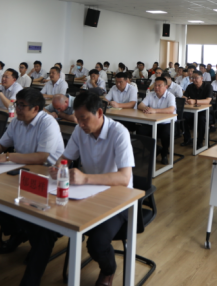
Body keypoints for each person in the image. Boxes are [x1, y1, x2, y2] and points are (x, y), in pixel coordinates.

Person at [44, 91, 135, 286]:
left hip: (118, 199)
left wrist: (85, 178)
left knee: (97, 243)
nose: (80, 124)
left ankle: (108, 270)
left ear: (99, 113)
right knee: (50, 216)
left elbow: (124, 177)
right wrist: (58, 167)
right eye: (77, 119)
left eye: (84, 119)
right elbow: (66, 158)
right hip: (88, 193)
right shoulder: (80, 131)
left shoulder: (119, 133)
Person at [0, 88, 65, 265]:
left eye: (22, 105)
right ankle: (18, 232)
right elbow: (1, 144)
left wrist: (7, 157)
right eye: (16, 104)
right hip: (21, 170)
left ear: (35, 109)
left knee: (27, 209)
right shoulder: (17, 121)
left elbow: (42, 157)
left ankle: (36, 243)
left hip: (46, 175)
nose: (17, 109)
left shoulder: (48, 123)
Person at [138, 77, 177, 164]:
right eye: (155, 85)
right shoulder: (150, 95)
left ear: (166, 87)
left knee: (165, 134)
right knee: (140, 131)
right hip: (153, 122)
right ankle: (156, 149)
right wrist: (147, 108)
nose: (156, 87)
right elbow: (140, 105)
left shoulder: (170, 96)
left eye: (159, 85)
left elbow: (171, 110)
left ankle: (164, 154)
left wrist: (155, 111)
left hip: (166, 123)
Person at [181, 71, 213, 147]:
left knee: (201, 119)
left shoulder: (208, 86)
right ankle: (187, 139)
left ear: (201, 78)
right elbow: (184, 96)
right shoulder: (190, 86)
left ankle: (200, 141)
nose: (194, 80)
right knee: (183, 117)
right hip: (193, 110)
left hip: (205, 111)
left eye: (196, 78)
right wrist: (185, 98)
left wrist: (194, 101)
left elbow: (208, 101)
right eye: (192, 78)